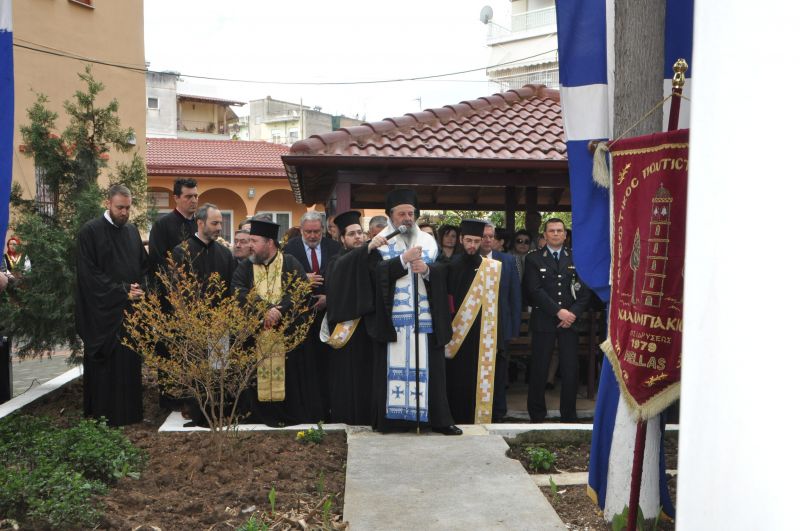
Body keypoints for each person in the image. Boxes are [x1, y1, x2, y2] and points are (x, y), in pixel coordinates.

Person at [367, 189, 460, 435]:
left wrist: (429, 271)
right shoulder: (381, 242)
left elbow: (444, 272)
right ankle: (392, 421)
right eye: (402, 214)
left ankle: (439, 420)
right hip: (393, 320)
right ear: (390, 216)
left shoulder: (428, 241)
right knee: (391, 371)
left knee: (432, 371)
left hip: (425, 318)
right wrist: (401, 261)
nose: (408, 218)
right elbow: (374, 277)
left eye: (411, 213)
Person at [75, 184, 148, 426]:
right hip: (102, 317)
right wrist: (122, 291)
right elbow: (89, 276)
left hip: (129, 315)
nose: (124, 213)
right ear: (108, 203)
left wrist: (140, 288)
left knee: (128, 363)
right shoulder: (90, 232)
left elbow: (143, 266)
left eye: (128, 208)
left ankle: (130, 415)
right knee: (106, 369)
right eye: (120, 208)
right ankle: (103, 416)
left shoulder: (131, 232)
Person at [231, 219, 315, 426]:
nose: (250, 245)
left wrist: (279, 311)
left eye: (254, 241)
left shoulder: (290, 262)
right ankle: (257, 416)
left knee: (288, 378)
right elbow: (238, 290)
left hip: (285, 337)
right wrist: (264, 309)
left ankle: (286, 416)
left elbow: (300, 290)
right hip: (255, 336)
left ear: (269, 243)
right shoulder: (245, 267)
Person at [523, 218, 591, 422]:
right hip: (544, 320)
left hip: (570, 322)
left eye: (559, 231)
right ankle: (536, 415)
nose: (555, 234)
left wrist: (572, 314)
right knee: (539, 368)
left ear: (565, 235)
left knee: (570, 369)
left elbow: (585, 291)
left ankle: (569, 415)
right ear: (544, 235)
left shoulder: (577, 257)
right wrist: (558, 312)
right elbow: (534, 290)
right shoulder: (534, 258)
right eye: (551, 231)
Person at [283, 211, 342, 420]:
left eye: (317, 231)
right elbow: (281, 282)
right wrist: (301, 279)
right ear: (301, 231)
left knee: (327, 365)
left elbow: (343, 280)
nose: (312, 236)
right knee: (305, 367)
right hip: (301, 316)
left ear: (323, 230)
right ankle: (306, 410)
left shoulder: (334, 247)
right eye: (308, 232)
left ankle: (329, 408)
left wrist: (329, 297)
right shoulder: (289, 250)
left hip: (328, 315)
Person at [443, 220, 502, 424]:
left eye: (476, 241)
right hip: (456, 335)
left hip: (481, 335)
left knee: (476, 380)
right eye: (468, 240)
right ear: (461, 239)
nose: (472, 245)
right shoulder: (450, 266)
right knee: (455, 380)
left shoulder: (491, 268)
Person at [322, 210, 377, 425]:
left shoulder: (371, 258)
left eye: (360, 233)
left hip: (369, 331)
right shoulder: (336, 262)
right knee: (347, 381)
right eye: (352, 234)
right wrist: (368, 247)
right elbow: (343, 271)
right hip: (347, 334)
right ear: (342, 238)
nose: (358, 237)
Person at [147, 178, 199, 409]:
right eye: (188, 196)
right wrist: (175, 294)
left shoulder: (200, 223)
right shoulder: (163, 225)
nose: (193, 200)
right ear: (176, 198)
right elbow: (158, 263)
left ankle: (197, 396)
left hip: (198, 301)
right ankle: (171, 400)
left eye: (196, 196)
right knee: (171, 350)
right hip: (171, 302)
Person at [479, 223, 521, 422]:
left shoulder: (507, 260)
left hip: (500, 327)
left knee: (499, 372)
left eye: (491, 236)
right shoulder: (467, 260)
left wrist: (513, 329)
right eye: (484, 236)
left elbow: (515, 296)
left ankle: (498, 413)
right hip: (474, 328)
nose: (488, 240)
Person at [172, 203, 237, 295]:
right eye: (214, 223)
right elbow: (178, 289)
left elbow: (230, 289)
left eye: (220, 223)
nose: (219, 228)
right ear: (200, 223)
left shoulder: (226, 253)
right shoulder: (182, 251)